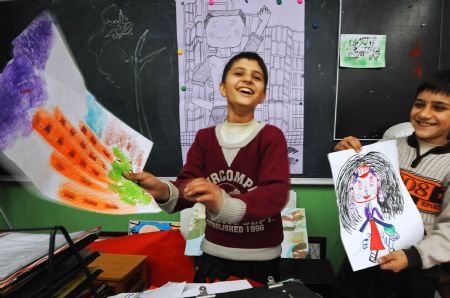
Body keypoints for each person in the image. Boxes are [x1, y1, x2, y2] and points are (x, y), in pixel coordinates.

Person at [126, 52, 290, 284]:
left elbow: (275, 194)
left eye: (257, 77)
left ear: (262, 95)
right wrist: (163, 190)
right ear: (223, 88)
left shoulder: (271, 137)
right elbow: (188, 186)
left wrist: (223, 202)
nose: (248, 80)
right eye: (239, 73)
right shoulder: (205, 138)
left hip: (261, 260)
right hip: (213, 255)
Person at [333, 69, 450, 298]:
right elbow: (356, 189)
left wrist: (416, 256)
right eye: (419, 104)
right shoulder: (389, 147)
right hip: (365, 259)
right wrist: (343, 155)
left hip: (413, 270)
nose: (425, 114)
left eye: (439, 107)